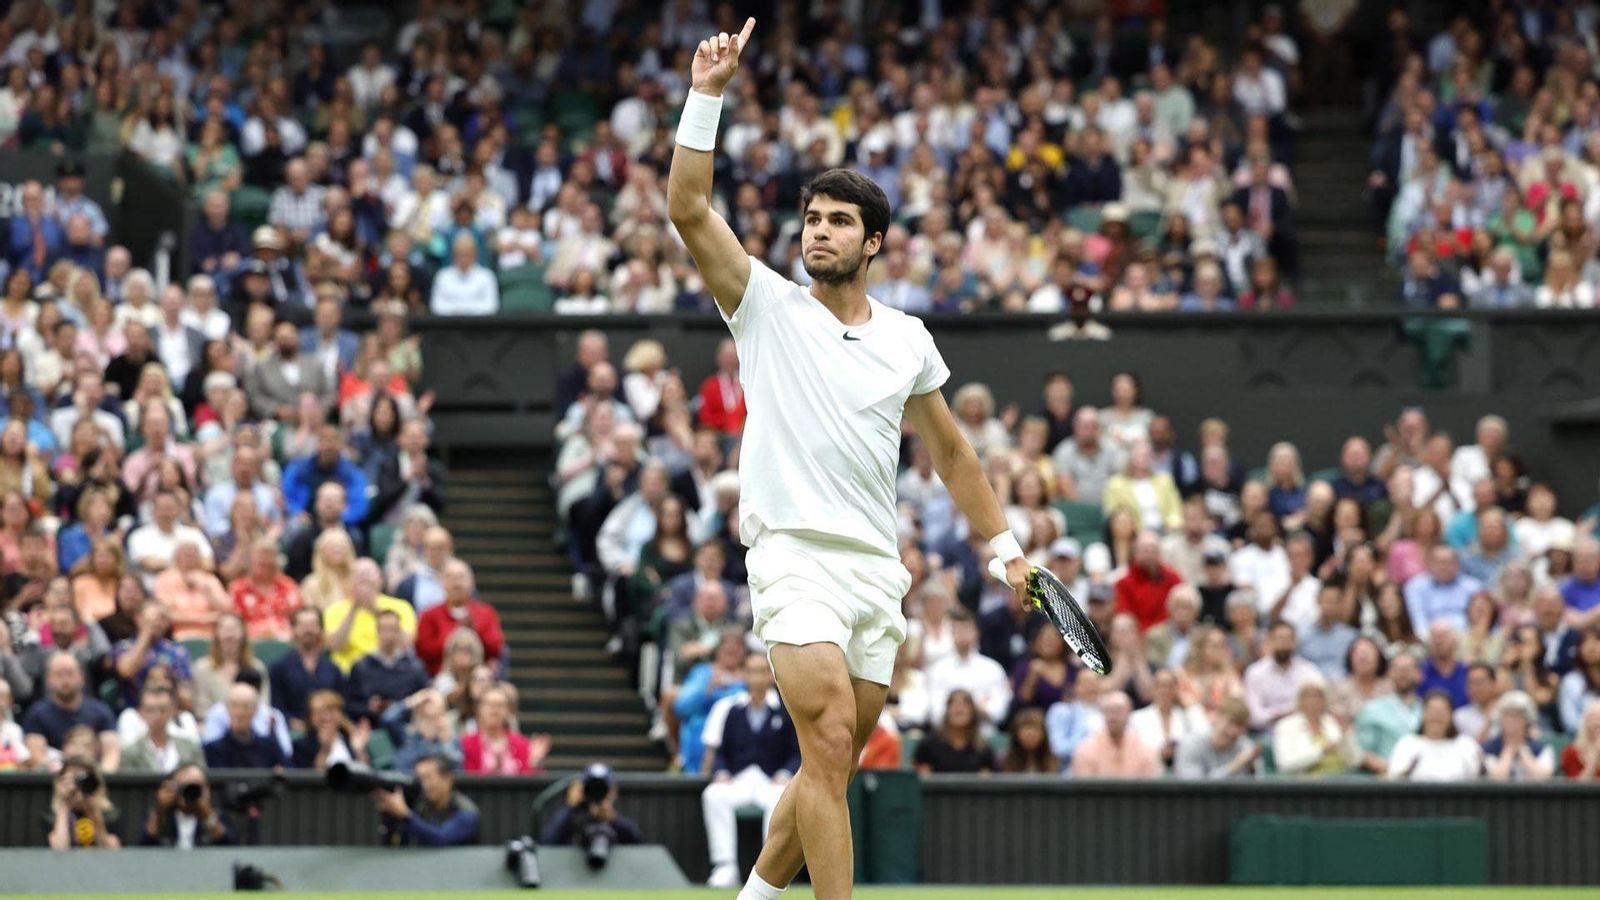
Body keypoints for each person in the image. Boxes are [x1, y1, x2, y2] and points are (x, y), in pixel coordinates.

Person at [670, 21, 1056, 900]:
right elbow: (688, 208)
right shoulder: (764, 304)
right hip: (792, 553)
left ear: (873, 242)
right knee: (831, 739)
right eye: (811, 219)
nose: (819, 232)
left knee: (825, 775)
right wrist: (708, 94)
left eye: (839, 222)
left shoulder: (909, 341)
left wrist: (1005, 549)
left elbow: (953, 453)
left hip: (874, 573)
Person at [701, 652, 801, 888]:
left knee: (781, 799)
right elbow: (721, 753)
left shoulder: (786, 710)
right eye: (752, 671)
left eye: (763, 671)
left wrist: (785, 774)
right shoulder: (731, 710)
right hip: (740, 781)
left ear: (772, 675)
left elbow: (797, 752)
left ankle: (772, 871)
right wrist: (722, 772)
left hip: (772, 783)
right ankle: (725, 867)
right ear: (744, 675)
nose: (757, 677)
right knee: (713, 794)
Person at [23, 652, 120, 772]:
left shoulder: (101, 711)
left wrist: (100, 776)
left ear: (82, 678)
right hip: (54, 779)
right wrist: (65, 775)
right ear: (48, 680)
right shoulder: (37, 714)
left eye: (70, 673)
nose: (65, 680)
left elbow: (111, 752)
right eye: (58, 674)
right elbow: (37, 755)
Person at [324, 559, 417, 672]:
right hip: (349, 674)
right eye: (357, 575)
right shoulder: (334, 610)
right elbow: (335, 646)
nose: (363, 579)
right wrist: (354, 608)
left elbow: (406, 645)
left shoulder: (401, 607)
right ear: (349, 581)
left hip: (390, 670)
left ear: (381, 579)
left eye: (368, 573)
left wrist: (375, 609)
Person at [415, 559, 504, 676]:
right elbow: (423, 650)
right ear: (441, 582)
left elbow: (496, 647)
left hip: (479, 679)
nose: (456, 583)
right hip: (438, 678)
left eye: (461, 577)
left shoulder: (486, 613)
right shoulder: (429, 615)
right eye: (450, 577)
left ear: (472, 582)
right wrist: (456, 632)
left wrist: (474, 632)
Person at [374, 755, 481, 846]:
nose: (424, 785)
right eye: (420, 779)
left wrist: (405, 815)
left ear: (448, 779)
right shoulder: (421, 805)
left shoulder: (466, 811)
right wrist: (390, 814)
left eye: (428, 777)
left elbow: (442, 839)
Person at [346, 609, 431, 723]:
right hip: (372, 728)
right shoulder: (361, 667)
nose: (388, 635)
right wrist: (368, 708)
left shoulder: (414, 667)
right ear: (377, 631)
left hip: (406, 727)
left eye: (393, 630)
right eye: (384, 629)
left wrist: (404, 705)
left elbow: (426, 699)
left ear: (399, 632)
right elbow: (350, 705)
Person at [268, 607, 345, 732]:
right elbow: (275, 708)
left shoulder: (333, 669)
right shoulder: (279, 668)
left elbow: (341, 705)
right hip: (293, 734)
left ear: (321, 630)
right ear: (293, 630)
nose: (308, 630)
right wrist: (293, 723)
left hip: (329, 731)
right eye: (303, 625)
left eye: (313, 625)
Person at [540, 762, 647, 846]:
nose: (597, 793)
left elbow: (641, 849)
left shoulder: (619, 823)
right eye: (592, 788)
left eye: (603, 789)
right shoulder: (570, 818)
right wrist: (571, 809)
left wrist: (614, 820)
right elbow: (547, 845)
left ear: (613, 792)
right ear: (582, 789)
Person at [1386, 690, 1482, 782]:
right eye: (1431, 710)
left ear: (1451, 715)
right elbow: (1394, 780)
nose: (1436, 716)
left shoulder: (1466, 745)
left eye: (1442, 711)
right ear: (1422, 714)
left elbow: (1481, 779)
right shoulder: (1407, 744)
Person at [1242, 622, 1321, 731]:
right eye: (1279, 638)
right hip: (1268, 732)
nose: (1283, 644)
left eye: (1288, 639)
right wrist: (1283, 715)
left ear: (1295, 642)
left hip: (1303, 729)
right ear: (1269, 641)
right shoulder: (1255, 672)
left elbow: (1319, 705)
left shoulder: (1309, 671)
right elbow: (1254, 716)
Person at [1355, 651, 1424, 774]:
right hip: (1387, 780)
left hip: (1428, 780)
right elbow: (1362, 752)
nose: (1402, 673)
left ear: (1419, 675)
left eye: (1407, 669)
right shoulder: (1372, 709)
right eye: (1397, 669)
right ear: (1389, 674)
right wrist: (1389, 770)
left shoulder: (1429, 709)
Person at [1272, 678, 1357, 777]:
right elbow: (1284, 764)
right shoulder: (1286, 726)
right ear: (1299, 698)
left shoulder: (1333, 723)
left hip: (1341, 779)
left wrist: (1346, 735)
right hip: (1307, 784)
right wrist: (1321, 751)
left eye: (1318, 695)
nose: (1313, 699)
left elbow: (1354, 760)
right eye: (1308, 695)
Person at [459, 685, 549, 775]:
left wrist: (535, 762)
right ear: (479, 709)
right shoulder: (466, 744)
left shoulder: (523, 744)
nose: (494, 709)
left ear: (509, 711)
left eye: (500, 705)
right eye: (489, 704)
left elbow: (533, 783)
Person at [1070, 691, 1161, 778]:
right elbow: (1084, 789)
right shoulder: (1086, 749)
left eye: (1118, 710)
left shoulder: (1144, 750)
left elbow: (1149, 789)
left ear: (1129, 713)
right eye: (1108, 711)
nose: (1112, 716)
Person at [140, 764, 235, 847]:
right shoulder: (161, 816)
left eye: (197, 787)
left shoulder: (217, 815)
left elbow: (230, 846)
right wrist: (160, 810)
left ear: (207, 790)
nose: (191, 792)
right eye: (185, 787)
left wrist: (207, 816)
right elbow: (142, 847)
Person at [119, 684, 202, 775]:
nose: (157, 715)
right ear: (141, 712)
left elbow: (203, 780)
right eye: (150, 710)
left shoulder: (190, 747)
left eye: (162, 709)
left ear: (173, 711)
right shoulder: (131, 752)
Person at [202, 682, 288, 769]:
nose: (240, 713)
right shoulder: (213, 750)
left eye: (246, 706)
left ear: (255, 710)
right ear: (227, 708)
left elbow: (289, 772)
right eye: (234, 705)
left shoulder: (270, 747)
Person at [913, 689, 996, 775]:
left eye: (965, 703)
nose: (959, 708)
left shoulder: (983, 749)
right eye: (953, 703)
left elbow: (987, 782)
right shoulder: (929, 745)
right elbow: (924, 781)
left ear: (973, 712)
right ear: (947, 711)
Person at [1172, 699, 1259, 778]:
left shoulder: (1245, 747)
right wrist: (1234, 766)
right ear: (1217, 717)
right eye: (1231, 722)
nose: (1234, 731)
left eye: (1240, 726)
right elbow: (1194, 788)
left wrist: (1251, 768)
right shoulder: (1191, 745)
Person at [46, 757, 121, 850]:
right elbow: (59, 851)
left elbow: (111, 853)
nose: (77, 787)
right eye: (72, 779)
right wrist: (64, 807)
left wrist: (94, 813)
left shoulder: (109, 815)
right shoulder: (52, 816)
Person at [1482, 691, 1554, 782]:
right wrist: (1509, 751)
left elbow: (1544, 778)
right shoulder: (1489, 749)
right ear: (1500, 719)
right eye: (1508, 716)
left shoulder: (1541, 748)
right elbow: (1495, 779)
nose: (1513, 722)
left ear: (1527, 720)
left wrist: (1523, 752)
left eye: (1518, 716)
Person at [1562, 699, 1600, 779]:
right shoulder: (1571, 752)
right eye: (1593, 718)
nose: (1597, 723)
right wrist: (1594, 757)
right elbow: (1577, 788)